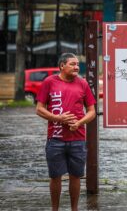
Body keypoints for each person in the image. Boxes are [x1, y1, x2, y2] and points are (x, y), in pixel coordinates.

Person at [36, 53, 96, 211]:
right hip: (55, 139)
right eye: (72, 64)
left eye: (77, 64)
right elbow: (39, 109)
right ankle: (54, 209)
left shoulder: (82, 83)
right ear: (62, 66)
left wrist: (80, 122)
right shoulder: (49, 82)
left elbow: (92, 111)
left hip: (77, 138)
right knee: (55, 176)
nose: (77, 67)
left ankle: (74, 209)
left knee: (76, 176)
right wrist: (58, 118)